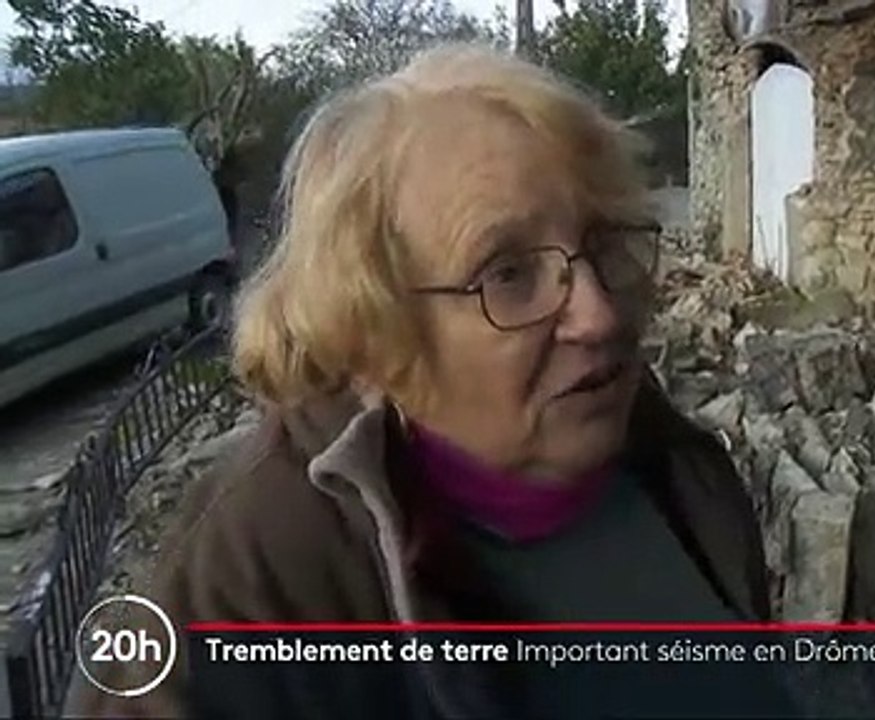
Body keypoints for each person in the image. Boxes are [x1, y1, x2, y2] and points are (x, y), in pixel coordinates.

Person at [69, 43, 786, 718]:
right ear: (373, 331)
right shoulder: (250, 582)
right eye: (508, 274)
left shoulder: (674, 465)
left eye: (603, 244)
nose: (597, 315)